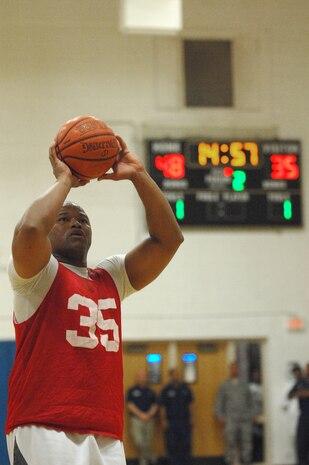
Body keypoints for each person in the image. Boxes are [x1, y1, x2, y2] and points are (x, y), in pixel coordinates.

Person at [5, 134, 184, 465]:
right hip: (45, 428)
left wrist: (138, 174)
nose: (76, 222)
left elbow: (169, 240)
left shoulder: (111, 278)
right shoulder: (36, 276)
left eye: (83, 219)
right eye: (64, 218)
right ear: (49, 229)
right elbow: (29, 230)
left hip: (105, 434)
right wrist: (65, 181)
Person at [215, 361, 256, 465]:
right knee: (230, 443)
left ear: (238, 370)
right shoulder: (224, 385)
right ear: (229, 370)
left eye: (236, 368)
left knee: (246, 443)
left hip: (245, 419)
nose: (234, 370)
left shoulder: (244, 385)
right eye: (232, 368)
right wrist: (219, 416)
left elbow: (251, 400)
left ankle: (246, 461)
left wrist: (252, 414)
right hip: (230, 419)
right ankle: (229, 462)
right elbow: (219, 401)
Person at [159, 368, 193, 465]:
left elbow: (190, 404)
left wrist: (191, 418)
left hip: (184, 420)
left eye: (177, 375)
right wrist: (163, 420)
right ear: (170, 376)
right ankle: (173, 462)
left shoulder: (185, 389)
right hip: (171, 421)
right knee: (172, 444)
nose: (176, 377)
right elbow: (162, 406)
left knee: (185, 443)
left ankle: (185, 462)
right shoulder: (166, 390)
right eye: (174, 375)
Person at [126, 369, 158, 465]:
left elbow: (155, 404)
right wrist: (140, 415)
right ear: (137, 378)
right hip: (136, 419)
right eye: (140, 376)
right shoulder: (132, 390)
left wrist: (148, 415)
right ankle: (149, 455)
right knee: (139, 440)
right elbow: (129, 404)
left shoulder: (151, 391)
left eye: (144, 376)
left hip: (149, 418)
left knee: (148, 440)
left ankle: (143, 459)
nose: (142, 378)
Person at [288, 363, 309, 465]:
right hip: (304, 416)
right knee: (301, 443)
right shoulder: (301, 382)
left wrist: (307, 393)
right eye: (307, 369)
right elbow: (289, 395)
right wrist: (297, 393)